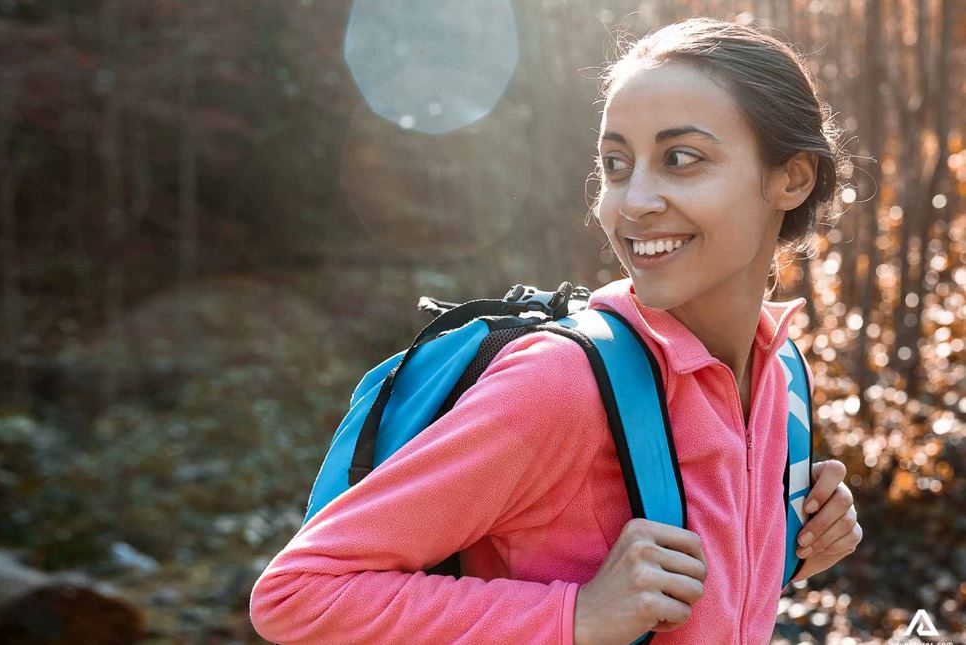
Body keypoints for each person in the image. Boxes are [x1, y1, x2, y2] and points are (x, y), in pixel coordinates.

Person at [249, 16, 863, 645]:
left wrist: (791, 547)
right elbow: (298, 594)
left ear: (792, 178)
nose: (632, 200)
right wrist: (576, 617)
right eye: (616, 164)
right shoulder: (562, 384)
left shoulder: (781, 370)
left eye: (681, 159)